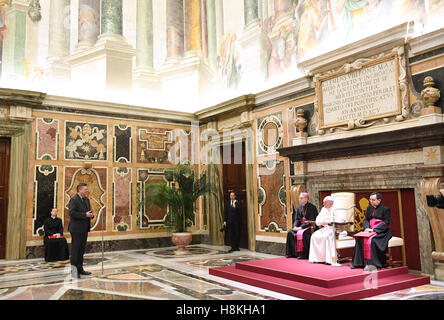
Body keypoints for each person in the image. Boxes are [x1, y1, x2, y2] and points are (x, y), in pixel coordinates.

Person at [350, 192, 392, 270]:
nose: (371, 201)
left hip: (381, 231)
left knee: (372, 240)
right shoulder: (369, 208)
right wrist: (367, 228)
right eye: (370, 199)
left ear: (379, 200)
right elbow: (366, 220)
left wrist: (374, 230)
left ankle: (373, 264)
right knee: (360, 238)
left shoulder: (385, 209)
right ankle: (360, 263)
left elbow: (386, 223)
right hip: (369, 229)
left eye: (373, 200)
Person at [309, 196, 346, 264]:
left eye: (325, 203)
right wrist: (322, 222)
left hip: (336, 229)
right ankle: (319, 259)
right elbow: (317, 220)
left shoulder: (337, 209)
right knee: (314, 236)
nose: (323, 204)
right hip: (325, 229)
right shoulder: (323, 209)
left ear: (331, 203)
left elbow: (343, 220)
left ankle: (328, 259)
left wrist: (329, 221)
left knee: (327, 237)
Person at [68, 183, 94, 278]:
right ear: (80, 190)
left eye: (87, 189)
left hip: (84, 228)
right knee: (75, 250)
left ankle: (80, 269)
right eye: (85, 189)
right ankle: (74, 271)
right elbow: (71, 213)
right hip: (76, 229)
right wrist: (84, 215)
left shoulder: (86, 200)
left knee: (81, 250)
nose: (87, 191)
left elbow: (87, 211)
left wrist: (91, 215)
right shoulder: (74, 199)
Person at [286, 192, 318, 259]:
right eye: (299, 198)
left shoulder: (312, 207)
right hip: (300, 227)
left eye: (301, 198)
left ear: (306, 199)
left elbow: (311, 220)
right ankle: (292, 253)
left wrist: (301, 227)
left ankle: (303, 255)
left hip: (310, 227)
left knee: (304, 234)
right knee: (290, 232)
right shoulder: (299, 207)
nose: (299, 200)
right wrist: (295, 226)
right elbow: (297, 219)